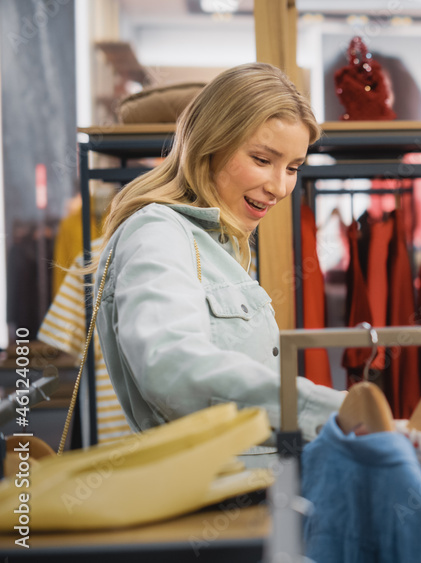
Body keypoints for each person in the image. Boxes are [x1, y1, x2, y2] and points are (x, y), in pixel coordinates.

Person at [90, 63, 344, 452]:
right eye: (262, 159)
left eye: (293, 168)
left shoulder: (216, 241)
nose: (279, 187)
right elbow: (171, 368)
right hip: (210, 499)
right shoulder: (158, 232)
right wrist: (338, 413)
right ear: (210, 143)